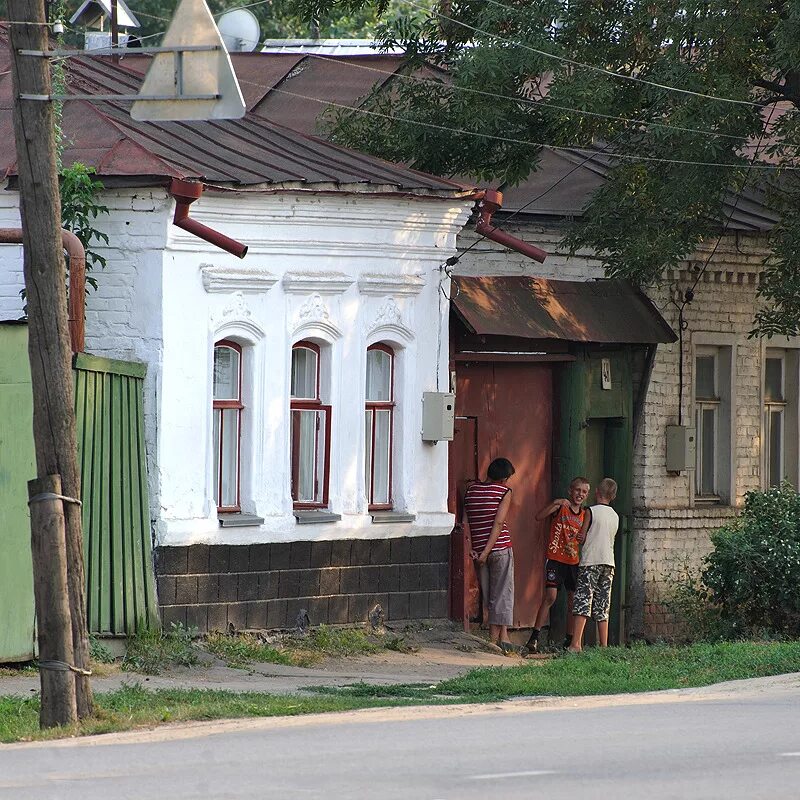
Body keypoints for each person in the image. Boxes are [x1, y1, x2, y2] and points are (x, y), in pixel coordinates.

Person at [523, 477, 590, 655]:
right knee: (550, 596)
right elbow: (539, 516)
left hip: (573, 561)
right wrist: (555, 503)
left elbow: (584, 537)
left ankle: (569, 640)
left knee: (573, 601)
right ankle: (534, 637)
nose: (580, 494)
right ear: (570, 491)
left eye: (584, 492)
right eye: (577, 490)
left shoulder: (585, 514)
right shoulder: (561, 507)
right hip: (555, 558)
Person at [461, 457, 517, 655]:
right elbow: (499, 524)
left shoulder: (471, 492)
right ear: (504, 478)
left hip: (477, 551)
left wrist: (473, 549)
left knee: (489, 595)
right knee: (502, 593)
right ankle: (495, 641)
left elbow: (465, 523)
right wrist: (486, 551)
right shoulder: (504, 492)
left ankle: (503, 636)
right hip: (499, 549)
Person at [568, 477, 620, 653]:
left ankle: (576, 644)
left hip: (591, 561)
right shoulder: (615, 515)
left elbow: (582, 536)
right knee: (603, 603)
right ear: (613, 496)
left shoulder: (590, 511)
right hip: (609, 563)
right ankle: (604, 646)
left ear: (597, 492)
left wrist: (577, 537)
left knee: (583, 600)